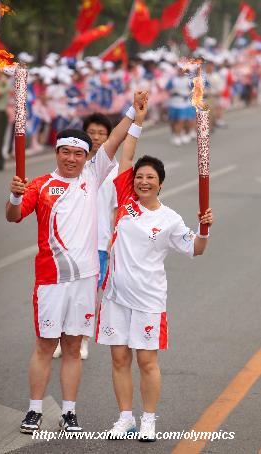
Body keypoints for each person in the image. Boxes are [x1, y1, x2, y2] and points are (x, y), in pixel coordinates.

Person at [6, 91, 147, 434]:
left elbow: (113, 140)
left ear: (87, 157)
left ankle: (69, 411)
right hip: (50, 279)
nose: (72, 158)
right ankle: (34, 409)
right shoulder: (40, 186)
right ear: (57, 153)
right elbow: (13, 217)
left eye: (78, 153)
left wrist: (132, 110)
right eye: (65, 152)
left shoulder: (93, 175)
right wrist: (14, 194)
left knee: (72, 347)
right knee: (44, 346)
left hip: (85, 278)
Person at [96, 94, 213, 441]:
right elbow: (127, 154)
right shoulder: (126, 201)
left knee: (146, 362)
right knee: (119, 360)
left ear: (161, 182)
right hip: (116, 296)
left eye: (150, 178)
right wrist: (138, 119)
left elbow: (196, 249)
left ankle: (148, 420)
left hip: (148, 299)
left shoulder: (171, 219)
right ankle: (126, 418)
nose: (143, 181)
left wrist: (204, 228)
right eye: (139, 177)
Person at [53, 112, 118, 360]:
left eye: (103, 134)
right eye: (93, 133)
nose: (98, 138)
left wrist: (113, 237)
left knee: (88, 295)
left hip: (99, 242)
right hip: (68, 242)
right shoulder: (70, 165)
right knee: (63, 291)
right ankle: (58, 336)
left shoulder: (111, 168)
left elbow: (115, 207)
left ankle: (82, 340)